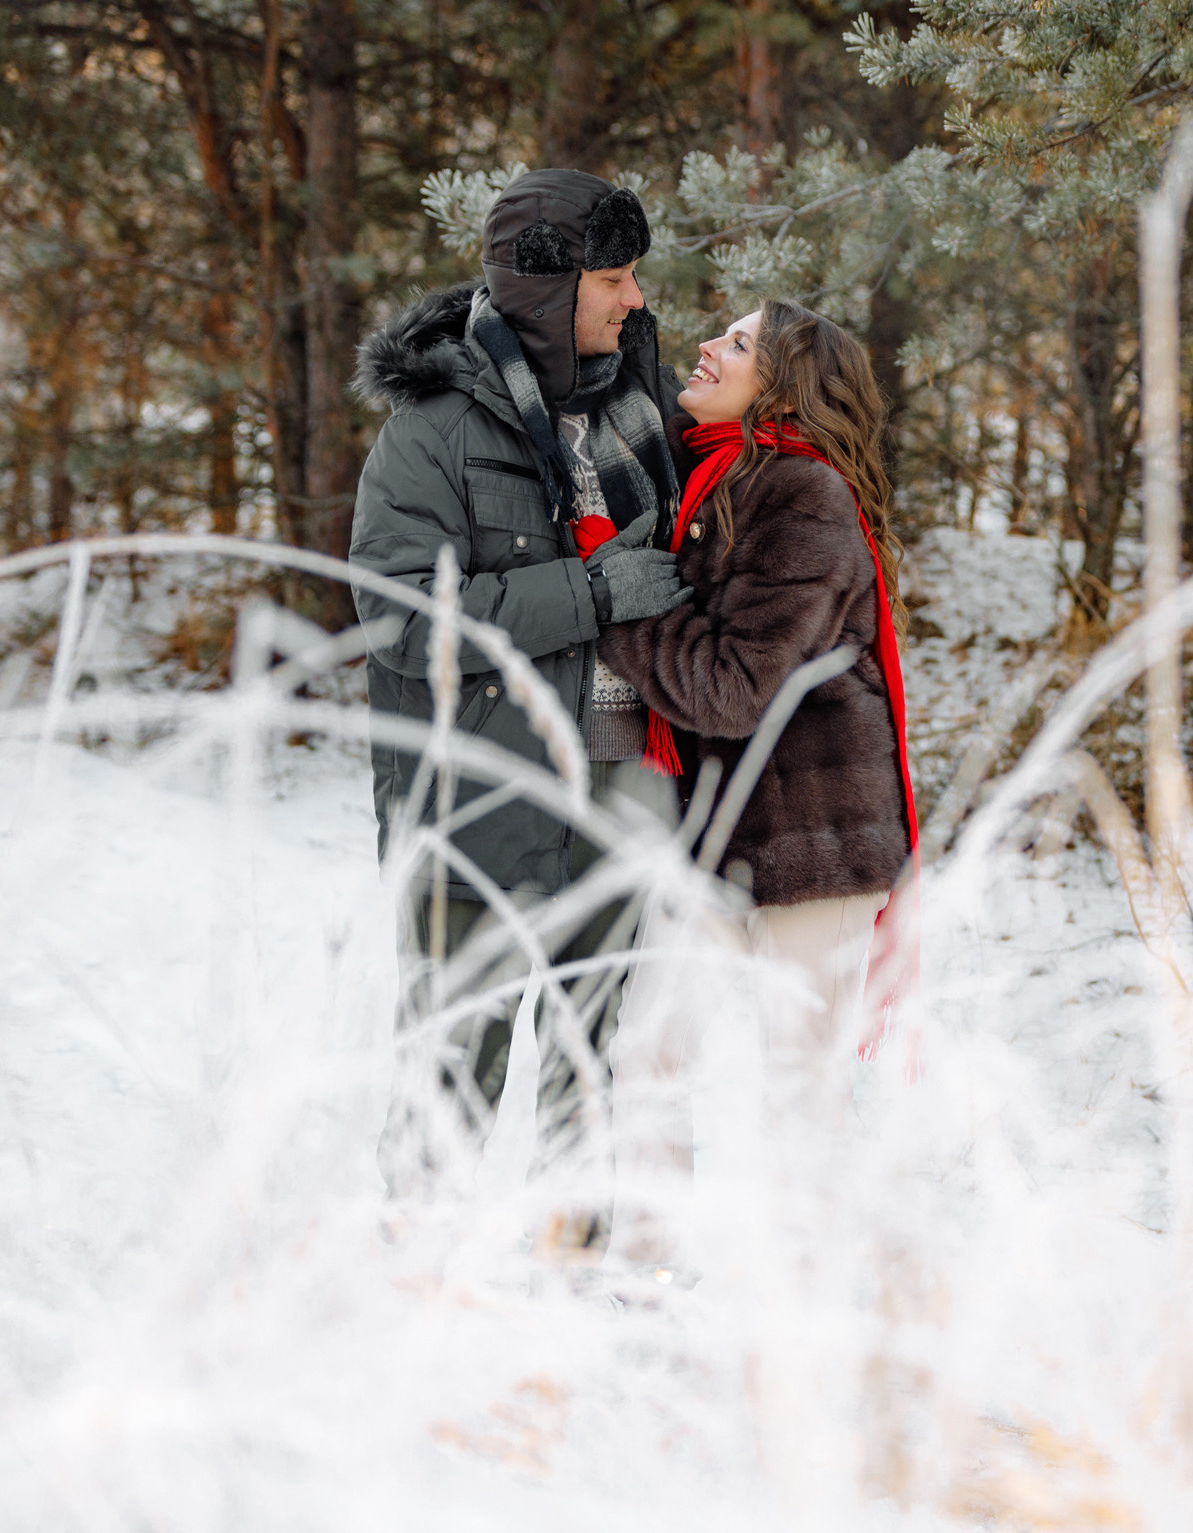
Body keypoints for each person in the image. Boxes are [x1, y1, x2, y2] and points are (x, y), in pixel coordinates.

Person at [347, 168, 699, 1246]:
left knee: (594, 1074)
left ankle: (570, 1305)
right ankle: (418, 1292)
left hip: (624, 796)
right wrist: (587, 595)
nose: (634, 300)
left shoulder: (642, 404)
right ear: (547, 287)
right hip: (478, 806)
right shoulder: (434, 431)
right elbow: (400, 618)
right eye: (613, 276)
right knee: (456, 1064)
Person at [599, 300, 917, 1056]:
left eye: (738, 342)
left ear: (781, 391)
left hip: (817, 846)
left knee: (799, 1099)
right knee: (647, 1054)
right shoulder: (720, 475)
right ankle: (653, 1185)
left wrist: (615, 606)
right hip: (714, 833)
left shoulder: (804, 495)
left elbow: (732, 688)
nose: (708, 344)